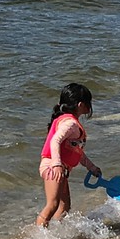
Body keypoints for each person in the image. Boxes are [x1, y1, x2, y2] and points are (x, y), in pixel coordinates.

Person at [36, 83, 102, 227]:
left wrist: (91, 167)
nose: (90, 107)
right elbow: (55, 141)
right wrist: (57, 164)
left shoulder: (68, 121)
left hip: (60, 169)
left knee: (65, 206)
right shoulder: (70, 124)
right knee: (52, 205)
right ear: (80, 105)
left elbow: (77, 152)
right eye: (88, 103)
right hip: (53, 167)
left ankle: (56, 235)